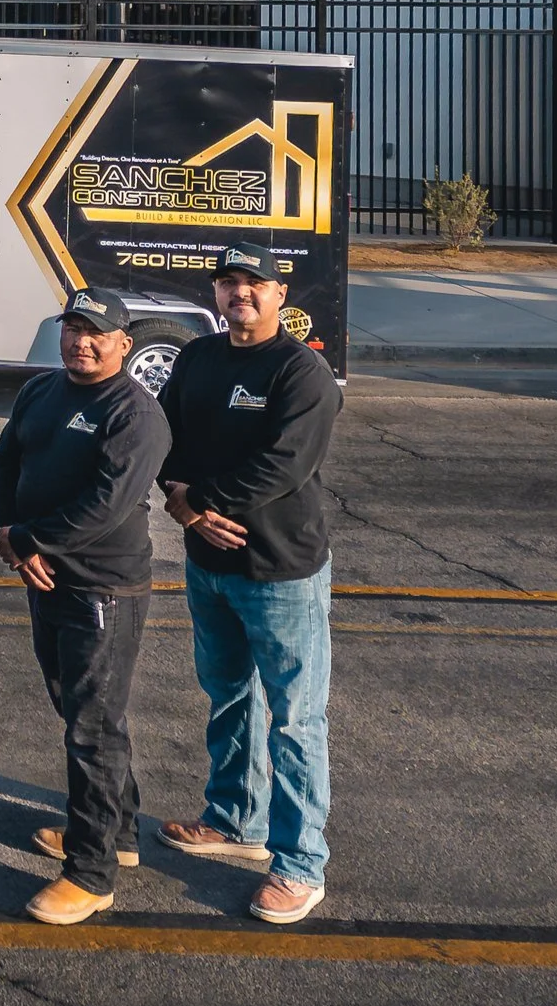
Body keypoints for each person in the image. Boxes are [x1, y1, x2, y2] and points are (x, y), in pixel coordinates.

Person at [157, 244, 343, 926]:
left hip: (280, 570)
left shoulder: (301, 371)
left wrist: (199, 501)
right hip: (210, 566)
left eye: (253, 283)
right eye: (229, 282)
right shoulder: (199, 359)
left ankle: (300, 865)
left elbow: (283, 466)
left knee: (295, 719)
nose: (240, 294)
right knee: (229, 695)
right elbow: (162, 436)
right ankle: (237, 821)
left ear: (278, 292)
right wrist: (176, 498)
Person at [0, 286, 173, 926]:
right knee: (78, 706)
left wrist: (28, 538)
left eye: (96, 332)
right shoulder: (41, 392)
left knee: (92, 725)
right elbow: (4, 459)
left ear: (124, 343)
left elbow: (106, 506)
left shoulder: (136, 414)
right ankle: (116, 833)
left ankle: (91, 874)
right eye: (72, 328)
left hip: (102, 588)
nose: (81, 341)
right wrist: (8, 533)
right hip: (44, 575)